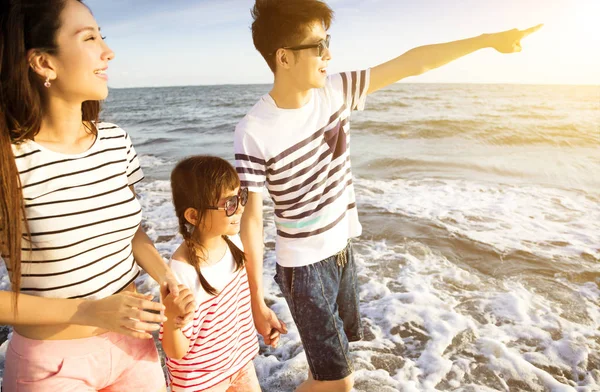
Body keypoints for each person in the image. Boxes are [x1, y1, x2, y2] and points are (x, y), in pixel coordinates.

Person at [234, 1, 542, 391]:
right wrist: (256, 300)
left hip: (342, 252)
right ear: (284, 57)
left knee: (326, 371)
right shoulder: (254, 129)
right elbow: (253, 219)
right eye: (318, 46)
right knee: (340, 382)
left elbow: (414, 63)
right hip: (304, 270)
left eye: (328, 41)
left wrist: (486, 41)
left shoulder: (336, 91)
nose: (328, 54)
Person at [0, 1, 193, 390]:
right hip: (53, 368)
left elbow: (130, 231)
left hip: (134, 350)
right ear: (43, 64)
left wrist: (166, 278)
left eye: (102, 35)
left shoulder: (115, 141)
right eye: (88, 37)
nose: (108, 51)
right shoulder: (8, 160)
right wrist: (88, 310)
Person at [160, 156, 262, 391]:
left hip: (238, 364)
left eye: (241, 197)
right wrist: (173, 322)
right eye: (230, 204)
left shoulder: (232, 240)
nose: (241, 207)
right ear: (193, 216)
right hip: (200, 381)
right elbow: (176, 351)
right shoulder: (182, 272)